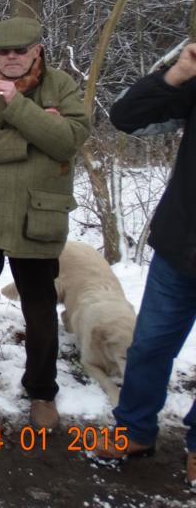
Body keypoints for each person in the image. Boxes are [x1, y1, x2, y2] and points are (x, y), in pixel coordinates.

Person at [0, 16, 90, 430]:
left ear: (36, 51)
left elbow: (68, 141)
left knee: (39, 310)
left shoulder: (61, 85)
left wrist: (18, 106)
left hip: (36, 216)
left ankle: (42, 390)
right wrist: (34, 133)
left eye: (19, 51)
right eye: (2, 51)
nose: (10, 58)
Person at [91, 42, 196, 484]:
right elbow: (126, 117)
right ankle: (134, 430)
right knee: (149, 345)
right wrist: (177, 74)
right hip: (180, 245)